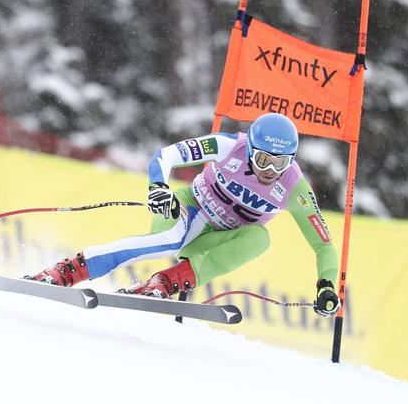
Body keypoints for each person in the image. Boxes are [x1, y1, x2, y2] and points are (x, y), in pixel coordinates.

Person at [24, 113, 341, 317]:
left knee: (260, 238)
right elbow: (166, 156)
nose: (269, 171)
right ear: (250, 149)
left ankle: (164, 282)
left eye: (279, 163)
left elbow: (323, 243)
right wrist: (158, 187)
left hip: (218, 239)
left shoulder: (294, 187)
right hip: (189, 209)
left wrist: (326, 284)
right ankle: (68, 270)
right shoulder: (228, 145)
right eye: (262, 159)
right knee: (169, 239)